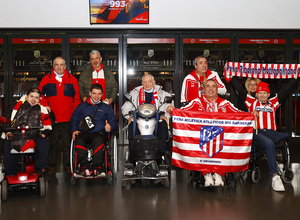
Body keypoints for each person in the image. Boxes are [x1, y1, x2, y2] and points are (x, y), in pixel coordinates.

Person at [181, 79, 243, 186]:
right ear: (203, 89)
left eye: (213, 86)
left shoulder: (225, 103)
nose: (210, 88)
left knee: (221, 143)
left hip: (221, 139)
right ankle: (207, 174)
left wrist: (251, 114)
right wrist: (171, 109)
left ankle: (218, 174)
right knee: (208, 143)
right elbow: (183, 111)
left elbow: (238, 113)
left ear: (217, 89)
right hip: (202, 139)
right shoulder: (197, 102)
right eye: (208, 86)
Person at [245, 79, 297, 192]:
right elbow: (239, 89)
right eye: (260, 93)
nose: (262, 95)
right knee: (269, 143)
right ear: (256, 94)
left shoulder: (272, 103)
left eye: (265, 93)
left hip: (271, 132)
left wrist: (295, 77)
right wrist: (229, 76)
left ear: (268, 94)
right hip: (258, 132)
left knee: (277, 138)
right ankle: (275, 176)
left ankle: (279, 137)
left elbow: (285, 90)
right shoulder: (251, 102)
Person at [38, 57, 81, 173]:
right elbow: (40, 96)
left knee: (68, 143)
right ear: (53, 66)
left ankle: (68, 164)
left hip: (68, 117)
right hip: (51, 118)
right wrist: (45, 105)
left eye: (61, 64)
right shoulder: (46, 80)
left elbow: (77, 99)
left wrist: (75, 114)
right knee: (52, 142)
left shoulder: (72, 80)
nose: (59, 67)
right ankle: (51, 164)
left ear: (65, 66)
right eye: (57, 64)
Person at [121, 74, 174, 162]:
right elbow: (126, 107)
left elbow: (169, 106)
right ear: (142, 83)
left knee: (163, 124)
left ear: (154, 82)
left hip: (157, 119)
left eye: (149, 81)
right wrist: (129, 116)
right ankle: (132, 155)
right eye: (144, 82)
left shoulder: (162, 94)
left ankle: (161, 154)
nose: (147, 84)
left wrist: (167, 113)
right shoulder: (134, 93)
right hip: (139, 119)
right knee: (131, 125)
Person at [2, 88, 52, 175]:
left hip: (34, 134)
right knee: (8, 145)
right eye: (31, 96)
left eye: (36, 98)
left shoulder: (43, 108)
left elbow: (50, 121)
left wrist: (45, 132)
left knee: (44, 144)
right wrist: (7, 131)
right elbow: (5, 118)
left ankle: (40, 169)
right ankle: (10, 172)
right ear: (26, 96)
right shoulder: (16, 105)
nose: (33, 99)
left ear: (39, 99)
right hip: (16, 133)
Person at [70, 84, 117, 176]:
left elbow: (113, 122)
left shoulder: (106, 108)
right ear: (90, 93)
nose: (96, 96)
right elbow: (74, 119)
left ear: (102, 94)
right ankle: (85, 167)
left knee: (98, 140)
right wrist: (74, 130)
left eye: (99, 94)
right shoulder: (81, 107)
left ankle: (98, 167)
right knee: (78, 139)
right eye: (94, 93)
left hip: (99, 133)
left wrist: (110, 127)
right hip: (84, 132)